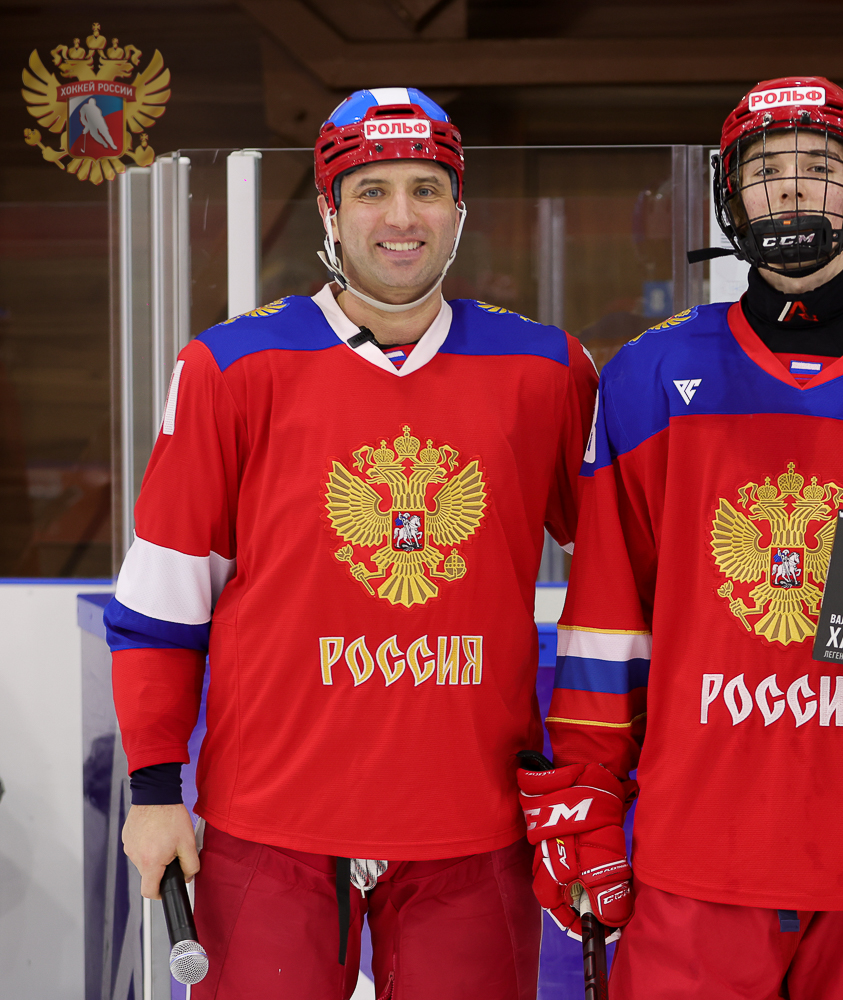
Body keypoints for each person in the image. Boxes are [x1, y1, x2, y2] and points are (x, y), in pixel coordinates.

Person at [517, 76, 843, 999]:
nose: (794, 188)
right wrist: (587, 791)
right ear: (731, 194)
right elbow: (608, 621)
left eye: (819, 166)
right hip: (699, 858)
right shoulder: (651, 376)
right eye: (766, 169)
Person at [106, 87, 597, 999]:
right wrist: (153, 789)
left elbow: (628, 575)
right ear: (330, 211)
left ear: (459, 209)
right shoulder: (229, 367)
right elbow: (160, 607)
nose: (401, 217)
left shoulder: (545, 370)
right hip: (272, 826)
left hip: (474, 825)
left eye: (426, 189)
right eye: (372, 190)